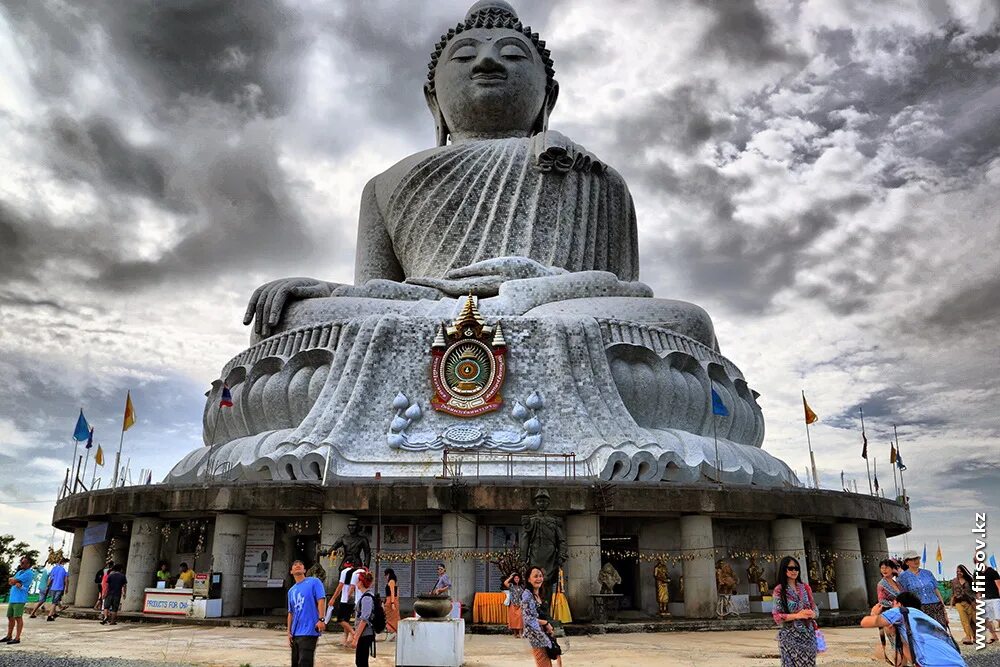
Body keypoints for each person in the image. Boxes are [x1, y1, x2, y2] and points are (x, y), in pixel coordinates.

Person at [860, 591, 964, 666]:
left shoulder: (900, 611)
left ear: (899, 604)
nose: (891, 608)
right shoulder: (927, 620)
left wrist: (874, 613)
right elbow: (909, 660)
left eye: (893, 605)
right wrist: (894, 635)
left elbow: (865, 622)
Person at [771, 555, 819, 667]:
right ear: (784, 570)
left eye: (796, 568)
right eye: (791, 568)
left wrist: (813, 614)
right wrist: (797, 615)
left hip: (808, 635)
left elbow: (815, 608)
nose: (794, 571)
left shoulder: (805, 587)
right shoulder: (779, 590)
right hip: (790, 636)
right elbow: (777, 616)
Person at [286, 559, 326, 667]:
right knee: (295, 663)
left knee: (305, 662)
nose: (298, 565)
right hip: (295, 632)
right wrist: (288, 631)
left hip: (309, 629)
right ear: (291, 571)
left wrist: (321, 619)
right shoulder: (291, 591)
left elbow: (321, 600)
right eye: (295, 565)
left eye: (300, 564)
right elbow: (291, 612)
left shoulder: (314, 582)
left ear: (305, 570)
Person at [897, 549, 948, 628]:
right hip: (918, 608)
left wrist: (943, 608)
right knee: (925, 633)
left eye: (917, 558)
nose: (915, 561)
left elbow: (936, 590)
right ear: (907, 562)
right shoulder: (902, 577)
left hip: (936, 606)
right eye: (912, 559)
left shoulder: (927, 573)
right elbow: (904, 596)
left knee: (941, 631)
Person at [521, 566, 555, 667]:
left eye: (540, 576)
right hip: (536, 635)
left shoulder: (538, 594)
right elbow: (528, 618)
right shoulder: (527, 595)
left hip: (543, 633)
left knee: (547, 663)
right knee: (543, 663)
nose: (539, 579)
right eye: (535, 576)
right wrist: (546, 623)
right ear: (528, 579)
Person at [326, 562, 361, 648]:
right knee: (346, 620)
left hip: (345, 599)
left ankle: (353, 634)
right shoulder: (357, 572)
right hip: (353, 599)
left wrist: (333, 598)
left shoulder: (344, 572)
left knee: (340, 619)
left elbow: (340, 586)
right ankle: (345, 640)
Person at [2, 556, 36, 645]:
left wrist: (14, 581)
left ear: (28, 564)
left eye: (23, 563)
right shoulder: (20, 572)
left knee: (18, 617)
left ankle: (17, 637)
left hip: (20, 599)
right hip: (13, 598)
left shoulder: (29, 573)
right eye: (21, 562)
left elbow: (14, 580)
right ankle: (9, 636)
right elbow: (11, 581)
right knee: (10, 617)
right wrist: (13, 581)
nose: (21, 564)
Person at [875, 558, 903, 662]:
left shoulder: (897, 583)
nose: (884, 570)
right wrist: (895, 605)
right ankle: (899, 662)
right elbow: (882, 601)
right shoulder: (881, 584)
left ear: (893, 569)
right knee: (895, 642)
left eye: (887, 567)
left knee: (903, 640)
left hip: (901, 615)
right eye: (882, 568)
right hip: (889, 615)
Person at [351, 570, 377, 667]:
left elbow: (364, 619)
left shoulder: (367, 598)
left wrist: (356, 638)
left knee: (361, 662)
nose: (356, 583)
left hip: (365, 634)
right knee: (360, 661)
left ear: (361, 583)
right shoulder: (366, 596)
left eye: (358, 581)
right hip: (364, 633)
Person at [950, 564, 976, 645]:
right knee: (964, 620)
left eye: (960, 571)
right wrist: (951, 602)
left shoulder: (969, 580)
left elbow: (974, 592)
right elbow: (953, 593)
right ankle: (968, 637)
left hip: (970, 602)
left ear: (964, 572)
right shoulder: (954, 581)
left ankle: (975, 637)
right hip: (959, 602)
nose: (959, 573)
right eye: (957, 571)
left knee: (973, 620)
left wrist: (976, 602)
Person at [503, 571, 524, 638]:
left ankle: (520, 633)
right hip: (512, 604)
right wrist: (511, 576)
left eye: (518, 578)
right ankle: (515, 633)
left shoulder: (522, 586)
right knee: (513, 619)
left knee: (520, 619)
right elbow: (505, 583)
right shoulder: (511, 586)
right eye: (515, 578)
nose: (517, 579)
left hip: (520, 604)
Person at [983, 565, 1000, 644]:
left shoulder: (992, 572)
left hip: (995, 598)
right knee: (987, 619)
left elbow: (999, 585)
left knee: (998, 618)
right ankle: (993, 636)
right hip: (985, 599)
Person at [383, 568, 399, 641]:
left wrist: (392, 603)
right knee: (391, 617)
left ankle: (392, 632)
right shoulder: (394, 581)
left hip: (391, 601)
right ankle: (393, 632)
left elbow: (392, 592)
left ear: (388, 574)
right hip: (392, 600)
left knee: (391, 618)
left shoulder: (391, 581)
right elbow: (397, 593)